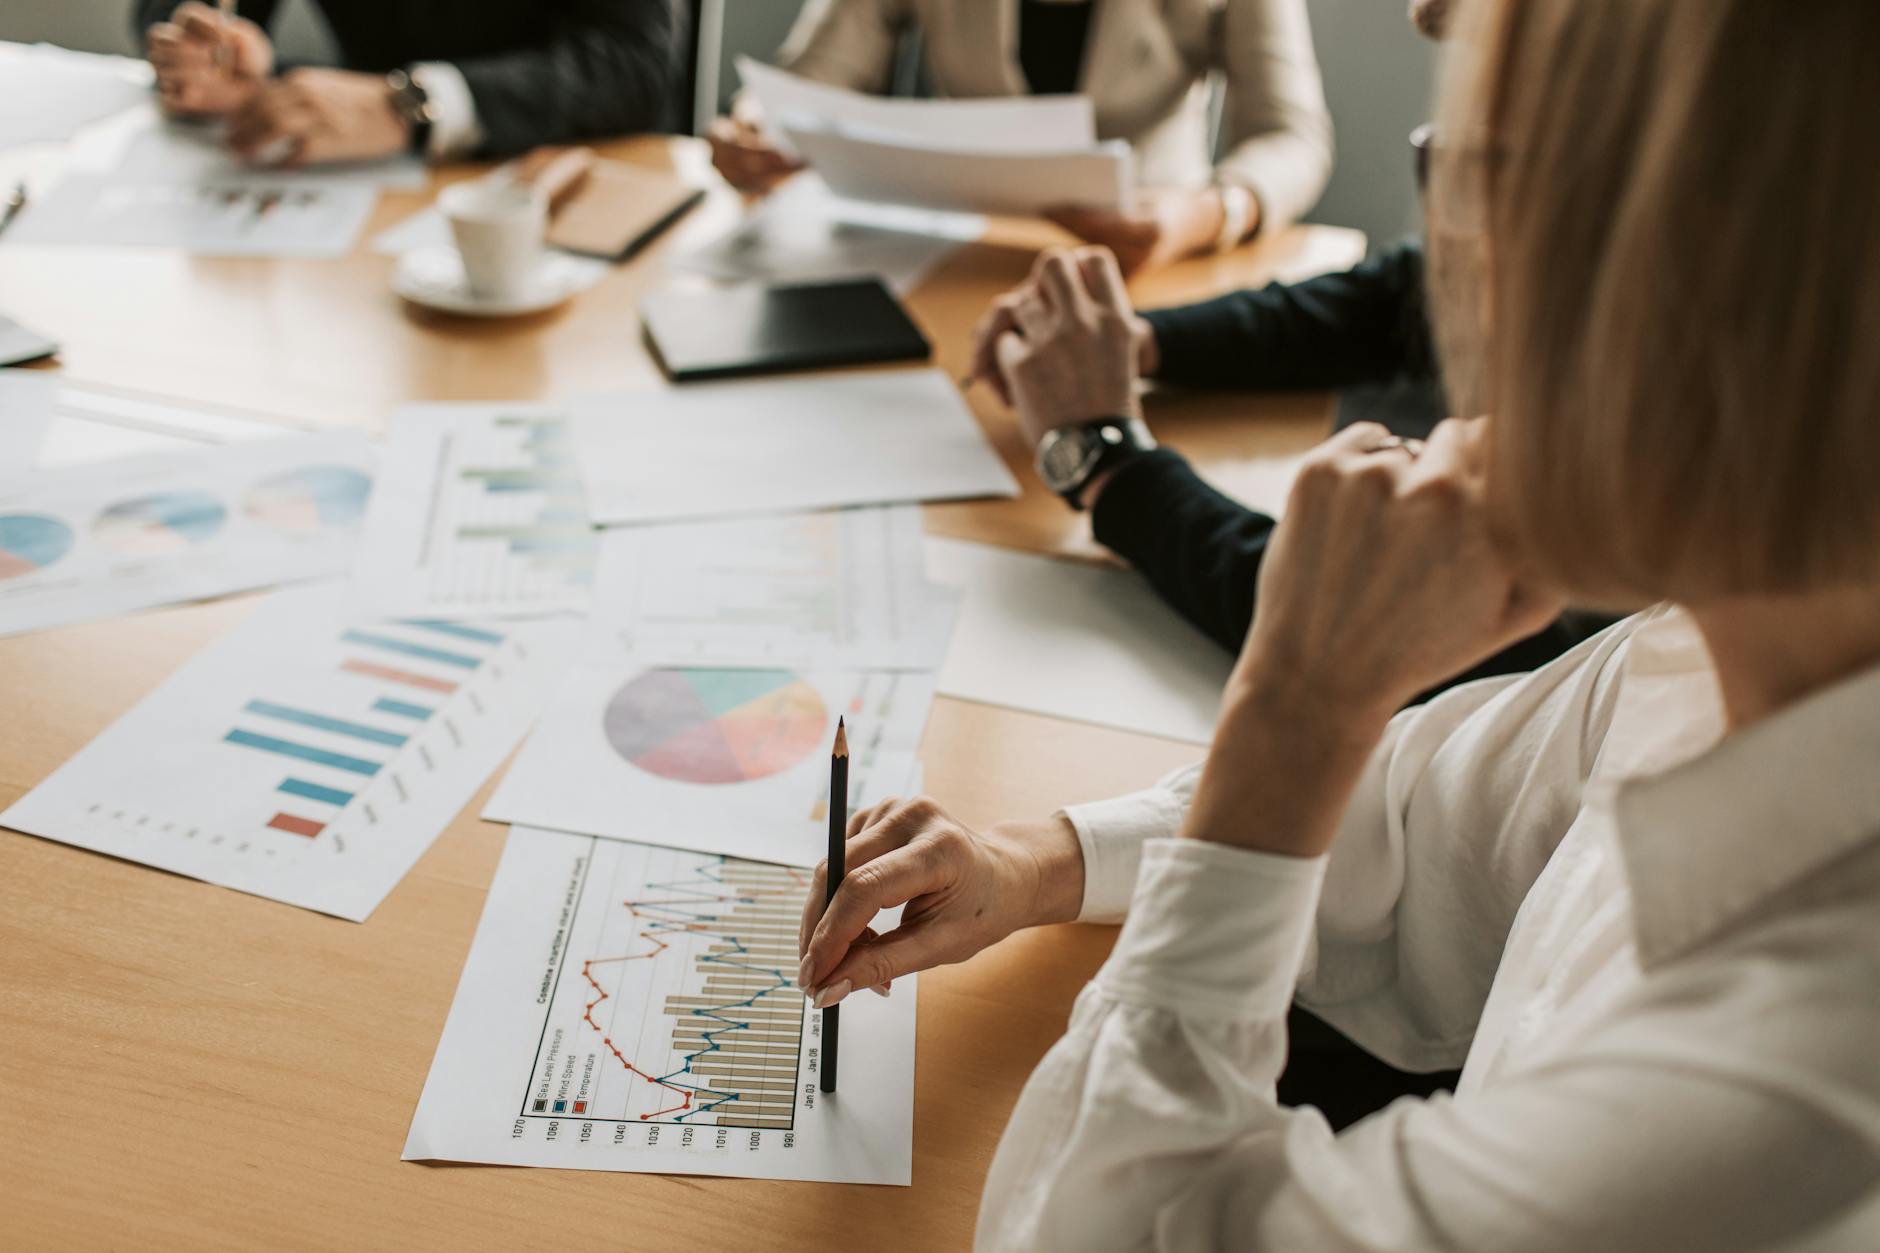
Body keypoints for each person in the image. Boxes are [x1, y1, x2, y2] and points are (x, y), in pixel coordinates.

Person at [801, 0, 1880, 1246]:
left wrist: (1295, 706)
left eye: (1474, 173)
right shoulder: (1706, 652)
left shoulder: (1776, 1107)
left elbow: (1085, 1227)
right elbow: (1420, 826)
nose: (1448, 279)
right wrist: (1037, 859)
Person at [711, 0, 1333, 272]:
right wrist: (756, 127)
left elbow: (1292, 136)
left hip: (1149, 257)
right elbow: (812, 77)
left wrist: (1204, 215)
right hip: (959, 249)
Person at [135, 0, 681, 166]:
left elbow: (634, 67)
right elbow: (168, 12)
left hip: (555, 179)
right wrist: (206, 51)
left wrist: (412, 104)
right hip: (354, 183)